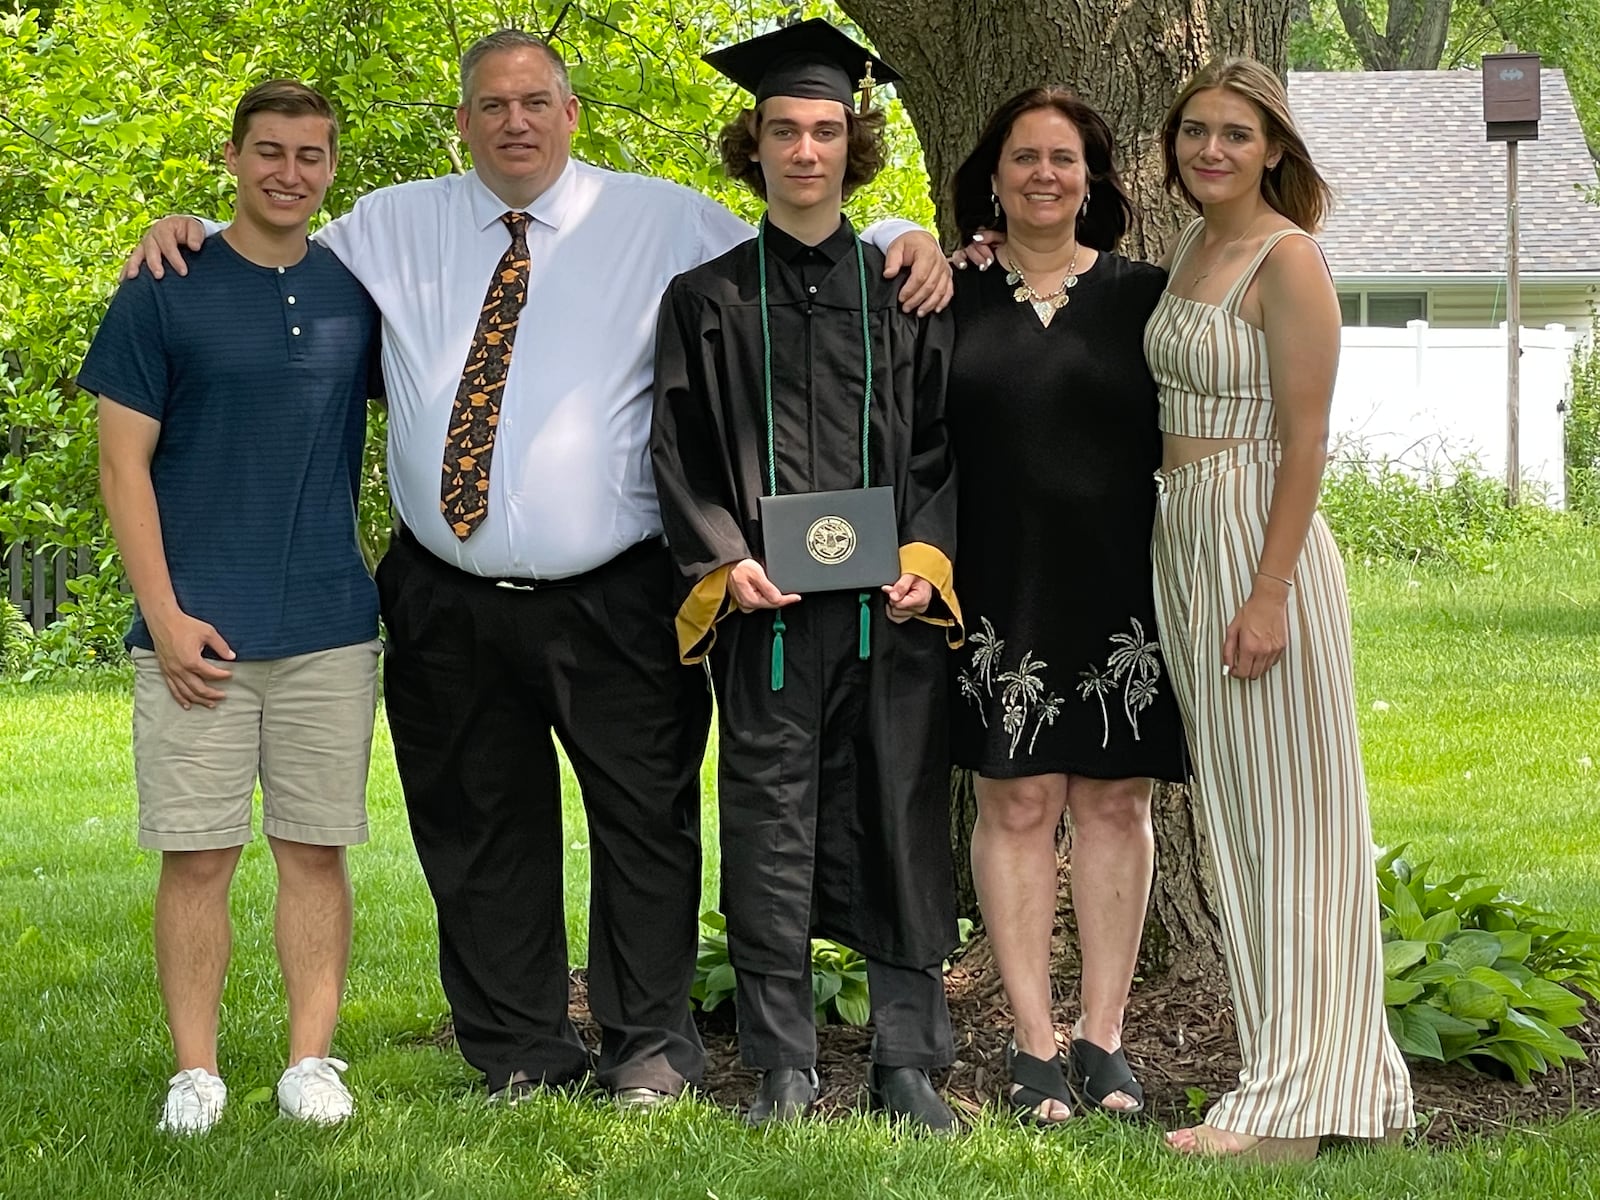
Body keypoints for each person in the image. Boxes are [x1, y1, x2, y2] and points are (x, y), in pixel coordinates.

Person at [126, 29, 954, 1109]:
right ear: (461, 121)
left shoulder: (655, 217)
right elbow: (267, 236)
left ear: (571, 115)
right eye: (490, 104)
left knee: (645, 826)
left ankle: (648, 1051)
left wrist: (904, 229)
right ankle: (518, 1048)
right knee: (478, 826)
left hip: (615, 587)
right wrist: (181, 228)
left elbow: (798, 235)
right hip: (444, 590)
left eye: (535, 102)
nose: (514, 121)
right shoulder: (389, 224)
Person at [651, 19, 961, 1130]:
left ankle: (908, 1058)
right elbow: (676, 450)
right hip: (767, 617)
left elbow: (937, 443)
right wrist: (723, 561)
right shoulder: (709, 299)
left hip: (891, 618)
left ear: (852, 145)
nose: (805, 150)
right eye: (783, 128)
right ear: (755, 144)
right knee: (768, 821)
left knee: (901, 813)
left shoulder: (907, 293)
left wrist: (925, 557)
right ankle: (784, 1061)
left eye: (826, 129)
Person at [82, 79, 382, 1133]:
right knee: (198, 852)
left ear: (331, 167)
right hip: (193, 630)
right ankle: (195, 1073)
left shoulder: (357, 288)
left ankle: (311, 1063)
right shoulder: (163, 286)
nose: (287, 172)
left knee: (314, 848)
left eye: (309, 155)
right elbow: (123, 467)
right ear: (232, 156)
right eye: (268, 151)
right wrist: (160, 615)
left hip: (330, 625)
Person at [1142, 56, 1415, 1159]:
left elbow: (1306, 443)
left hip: (1260, 541)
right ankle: (1345, 1085)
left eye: (1235, 135)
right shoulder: (1195, 247)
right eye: (1196, 131)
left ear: (1274, 150)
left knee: (1297, 830)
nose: (1211, 149)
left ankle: (1293, 1110)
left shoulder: (1287, 259)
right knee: (1249, 829)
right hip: (1184, 533)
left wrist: (1265, 594)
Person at [942, 88, 1186, 1125]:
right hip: (997, 585)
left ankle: (1104, 1036)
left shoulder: (1149, 297)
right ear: (991, 177)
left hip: (1122, 586)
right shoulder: (944, 296)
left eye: (1064, 158)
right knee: (1016, 802)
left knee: (1115, 804)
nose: (1044, 173)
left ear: (1093, 178)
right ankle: (1033, 1041)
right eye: (1023, 156)